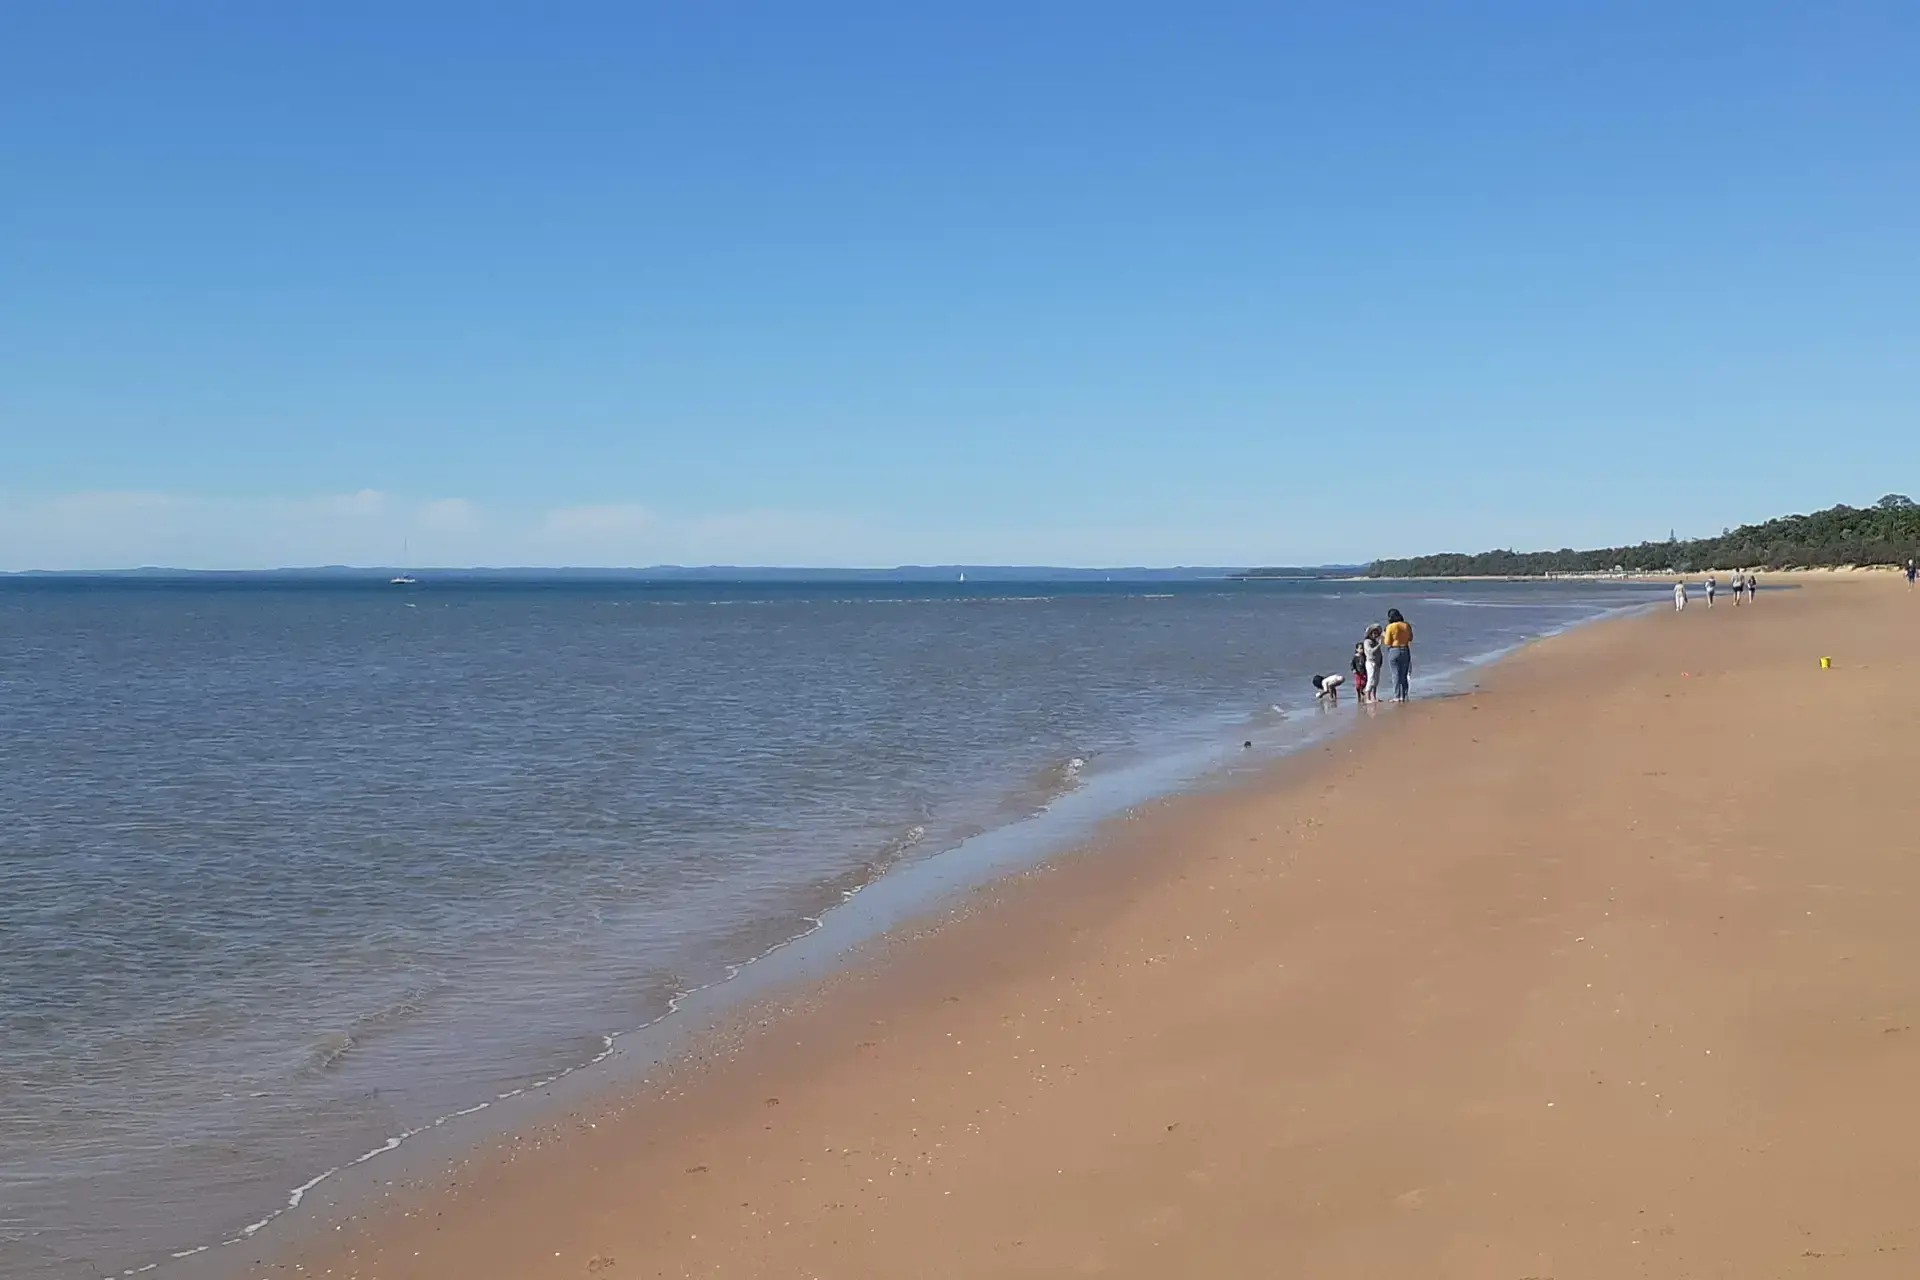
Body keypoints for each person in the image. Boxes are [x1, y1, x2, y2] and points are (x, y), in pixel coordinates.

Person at [1382, 608, 1413, 701]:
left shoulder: (1390, 627)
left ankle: (1397, 696)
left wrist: (1384, 635)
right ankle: (1404, 695)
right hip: (1405, 649)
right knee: (1404, 674)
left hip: (1394, 650)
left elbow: (1387, 642)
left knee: (1395, 674)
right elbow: (1410, 638)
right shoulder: (1406, 625)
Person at [1361, 624, 1385, 704]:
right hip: (1370, 662)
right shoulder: (1367, 642)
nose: (1375, 635)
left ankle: (1374, 697)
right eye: (1374, 633)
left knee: (1376, 681)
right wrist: (1379, 645)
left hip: (1377, 663)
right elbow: (1370, 651)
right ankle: (1367, 697)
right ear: (1370, 634)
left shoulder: (1375, 641)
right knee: (1371, 679)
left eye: (1376, 633)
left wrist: (1381, 660)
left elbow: (1379, 653)